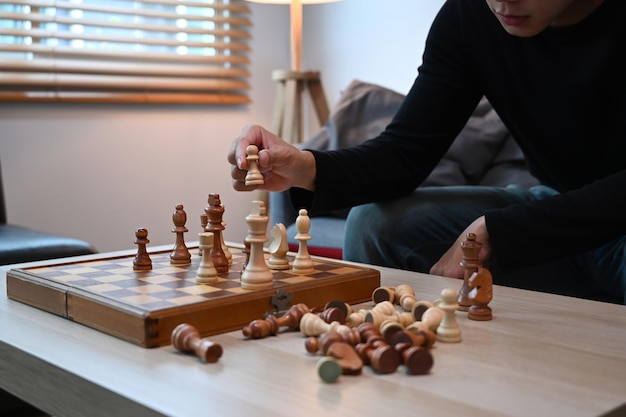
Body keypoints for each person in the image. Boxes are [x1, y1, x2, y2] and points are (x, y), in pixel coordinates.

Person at [228, 0, 626, 304]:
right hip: (558, 208)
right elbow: (405, 152)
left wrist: (502, 230)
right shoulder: (470, 17)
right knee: (375, 223)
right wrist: (304, 165)